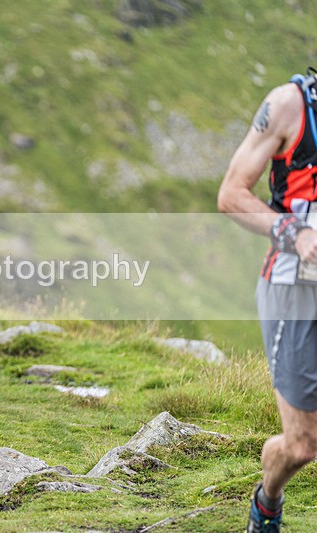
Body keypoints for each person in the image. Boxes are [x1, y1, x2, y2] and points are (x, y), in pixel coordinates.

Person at [218, 72, 317, 532]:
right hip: (293, 289)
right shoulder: (289, 106)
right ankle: (267, 500)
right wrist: (294, 233)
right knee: (301, 445)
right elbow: (231, 195)